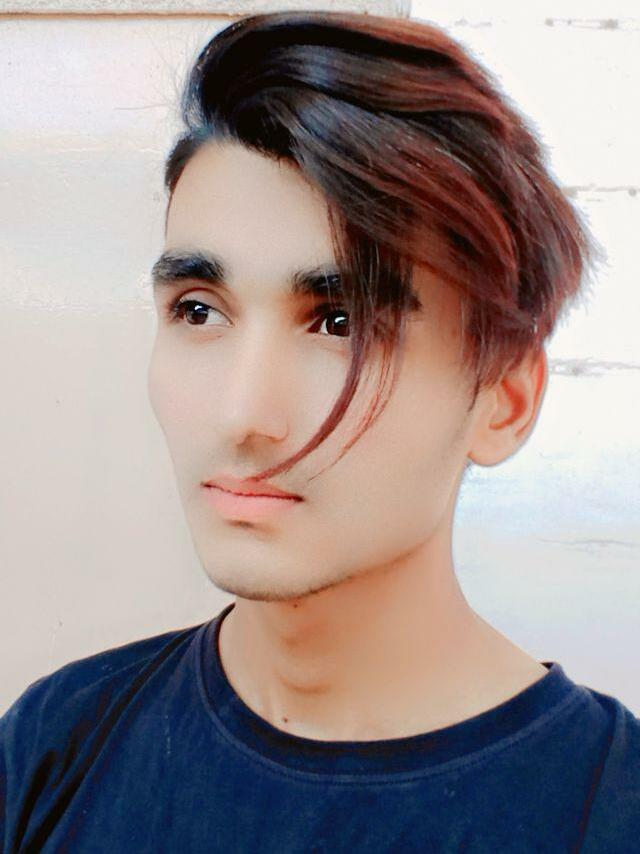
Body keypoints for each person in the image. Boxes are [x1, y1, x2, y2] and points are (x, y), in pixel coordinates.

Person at [1, 10, 638, 852]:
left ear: (505, 401)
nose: (241, 415)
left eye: (340, 323)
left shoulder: (611, 806)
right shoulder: (54, 746)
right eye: (199, 311)